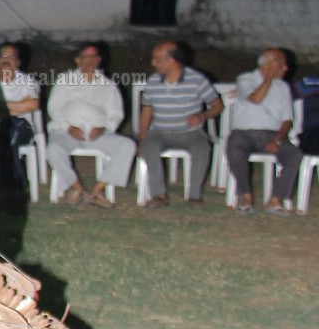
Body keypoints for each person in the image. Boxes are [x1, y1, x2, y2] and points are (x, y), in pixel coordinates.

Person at [46, 42, 136, 206]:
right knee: (53, 149)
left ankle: (96, 191)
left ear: (99, 60)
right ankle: (77, 188)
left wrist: (104, 128)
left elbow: (116, 113)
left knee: (128, 146)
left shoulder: (108, 85)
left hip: (97, 134)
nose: (90, 60)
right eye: (86, 57)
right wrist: (68, 127)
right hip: (67, 131)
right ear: (78, 60)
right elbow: (54, 108)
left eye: (94, 57)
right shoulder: (65, 80)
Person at [137, 40, 222, 206]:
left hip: (190, 133)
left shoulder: (197, 80)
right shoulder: (153, 81)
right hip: (160, 132)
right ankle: (159, 195)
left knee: (202, 148)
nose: (153, 63)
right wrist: (141, 138)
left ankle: (194, 196)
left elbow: (217, 106)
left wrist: (203, 116)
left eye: (157, 59)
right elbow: (147, 110)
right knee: (149, 146)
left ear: (172, 60)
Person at [226, 47, 301, 215]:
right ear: (268, 65)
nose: (286, 68)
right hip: (243, 133)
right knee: (235, 150)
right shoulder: (245, 80)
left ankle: (275, 199)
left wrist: (277, 140)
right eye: (281, 64)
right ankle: (246, 197)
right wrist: (268, 77)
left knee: (294, 154)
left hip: (271, 134)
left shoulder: (283, 87)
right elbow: (256, 99)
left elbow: (287, 120)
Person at [0, 42, 40, 192]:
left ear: (18, 62)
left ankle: (11, 187)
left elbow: (32, 105)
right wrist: (18, 105)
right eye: (3, 56)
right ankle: (14, 186)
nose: (7, 60)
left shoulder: (28, 81)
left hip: (22, 126)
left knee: (9, 132)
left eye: (12, 57)